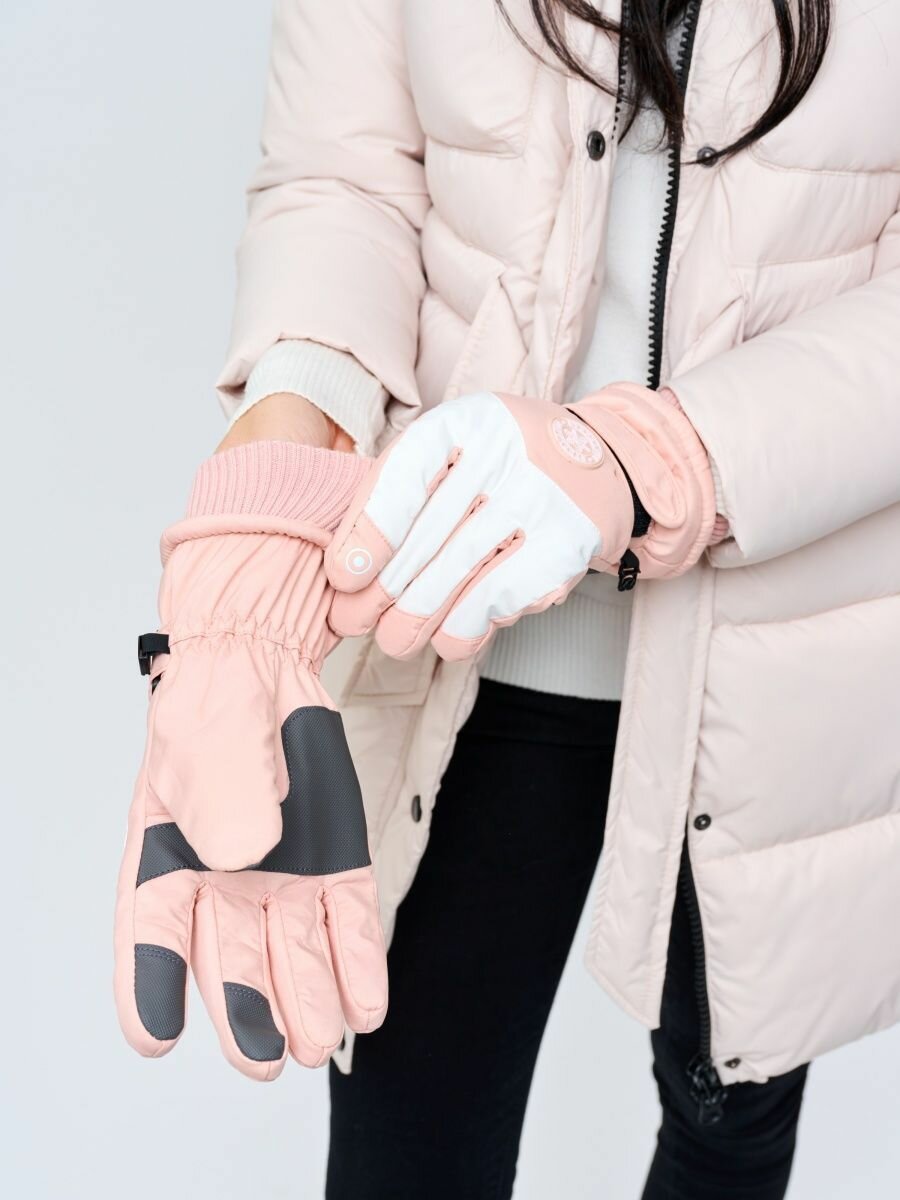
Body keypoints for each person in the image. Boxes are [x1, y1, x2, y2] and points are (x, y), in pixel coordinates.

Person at [115, 2, 900, 1197]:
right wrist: (268, 491)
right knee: (408, 1153)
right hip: (460, 634)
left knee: (728, 1129)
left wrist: (645, 461)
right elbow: (343, 179)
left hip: (778, 648)